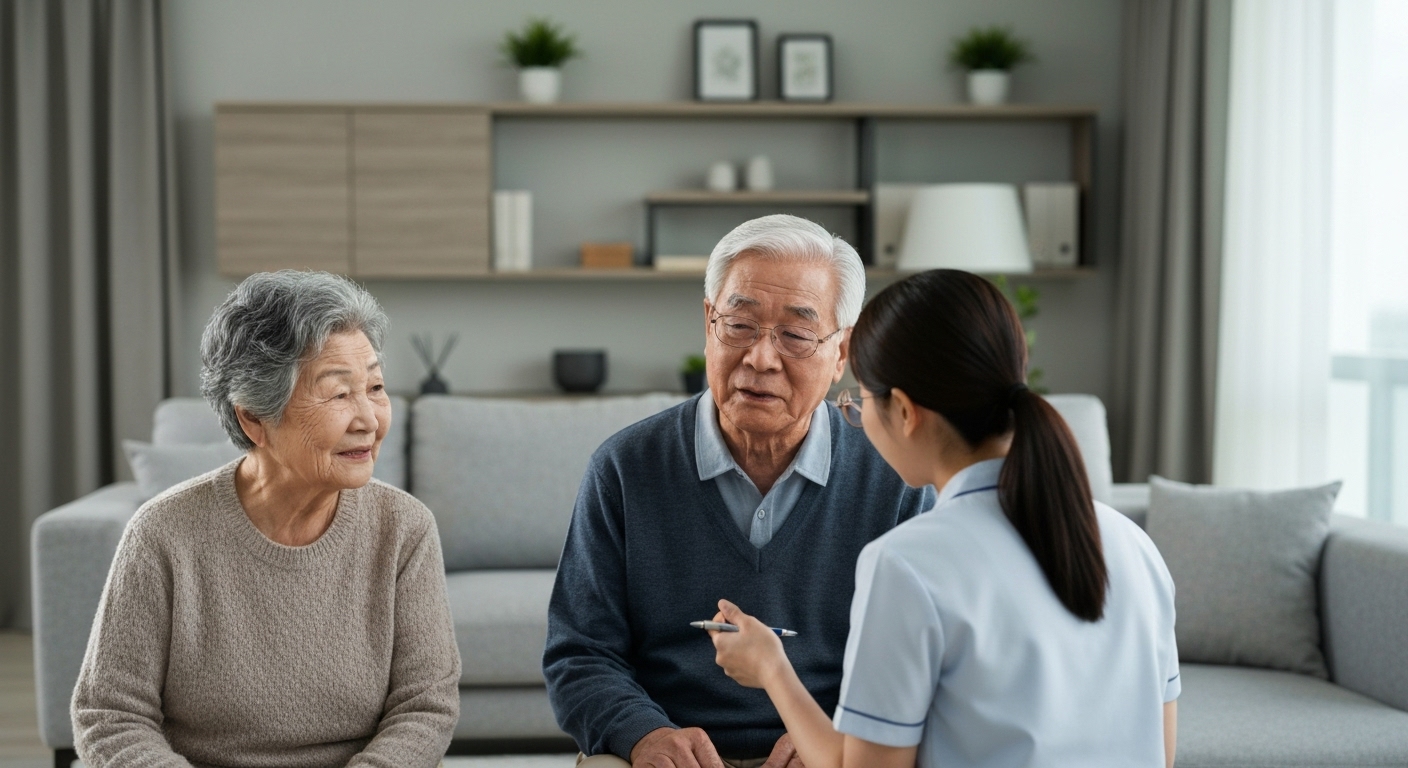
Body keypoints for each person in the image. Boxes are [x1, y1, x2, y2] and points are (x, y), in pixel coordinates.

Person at [711, 269, 1180, 768]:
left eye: (862, 401)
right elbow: (1162, 752)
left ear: (907, 413)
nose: (858, 420)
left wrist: (772, 670)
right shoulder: (1134, 545)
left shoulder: (907, 564)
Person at [544, 215, 935, 768]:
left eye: (796, 335)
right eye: (740, 325)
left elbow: (915, 661)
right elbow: (579, 653)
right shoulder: (625, 467)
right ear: (709, 323)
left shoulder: (894, 476)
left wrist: (834, 735)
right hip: (668, 753)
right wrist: (643, 734)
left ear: (842, 352)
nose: (761, 358)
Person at [71, 271, 461, 767]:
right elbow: (110, 714)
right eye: (339, 394)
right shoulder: (163, 534)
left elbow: (425, 707)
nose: (369, 418)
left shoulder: (404, 529)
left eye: (376, 387)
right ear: (254, 418)